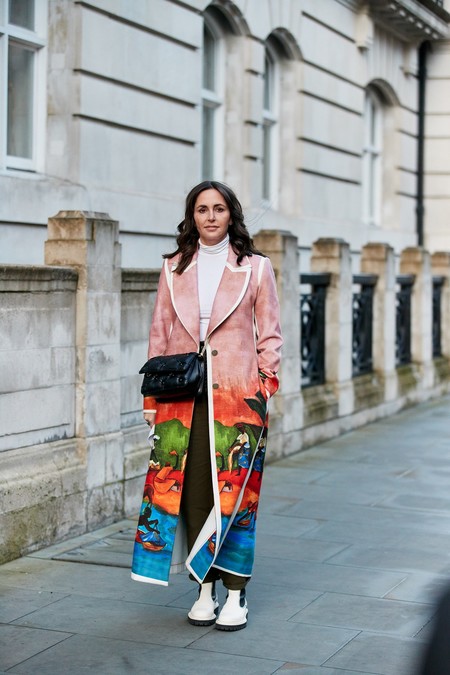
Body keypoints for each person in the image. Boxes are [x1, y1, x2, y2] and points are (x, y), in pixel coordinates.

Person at [131, 180, 282, 631]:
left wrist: (264, 388)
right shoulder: (173, 268)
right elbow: (158, 335)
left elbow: (270, 335)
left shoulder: (256, 269)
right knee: (191, 491)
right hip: (181, 399)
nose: (210, 216)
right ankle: (204, 589)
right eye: (202, 209)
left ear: (231, 215)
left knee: (237, 495)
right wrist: (151, 399)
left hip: (239, 400)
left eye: (218, 209)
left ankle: (236, 593)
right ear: (192, 216)